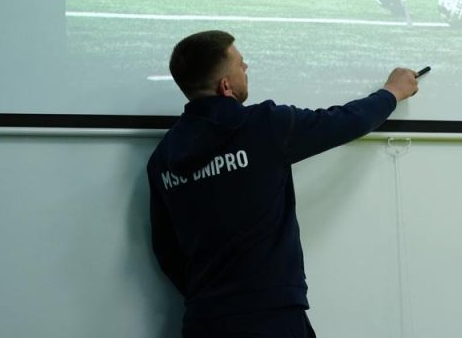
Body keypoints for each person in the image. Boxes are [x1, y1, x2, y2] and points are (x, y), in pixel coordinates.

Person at [146, 30, 419, 337]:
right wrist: (392, 92)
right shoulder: (263, 126)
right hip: (269, 317)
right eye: (239, 63)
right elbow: (344, 121)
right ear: (225, 86)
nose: (245, 67)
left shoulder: (162, 159)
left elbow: (165, 250)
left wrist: (210, 296)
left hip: (204, 319)